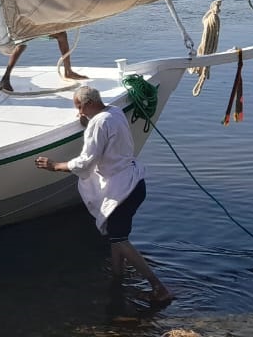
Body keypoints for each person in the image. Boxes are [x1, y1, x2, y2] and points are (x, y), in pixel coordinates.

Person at [35, 85, 172, 310]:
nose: (78, 112)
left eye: (79, 107)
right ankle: (117, 279)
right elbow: (106, 134)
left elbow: (87, 160)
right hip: (136, 182)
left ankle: (159, 287)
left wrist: (56, 166)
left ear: (88, 104)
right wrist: (88, 124)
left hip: (122, 191)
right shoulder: (115, 112)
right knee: (116, 237)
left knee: (120, 240)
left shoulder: (98, 123)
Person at [0, 31, 88, 92]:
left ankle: (68, 71)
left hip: (33, 24)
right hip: (23, 24)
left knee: (61, 34)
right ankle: (5, 78)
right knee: (21, 45)